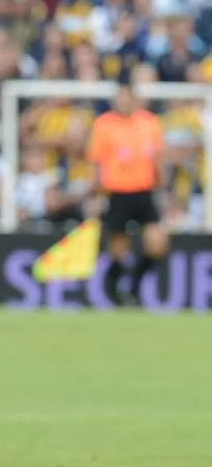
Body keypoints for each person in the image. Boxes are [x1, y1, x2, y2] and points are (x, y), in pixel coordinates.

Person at [88, 82, 168, 305]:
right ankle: (115, 295)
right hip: (117, 192)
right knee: (118, 249)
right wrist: (95, 194)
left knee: (157, 244)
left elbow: (158, 159)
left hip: (144, 191)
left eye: (127, 98)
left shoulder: (149, 122)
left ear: (135, 99)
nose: (123, 102)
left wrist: (164, 190)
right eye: (119, 98)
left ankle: (134, 286)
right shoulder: (104, 125)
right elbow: (96, 163)